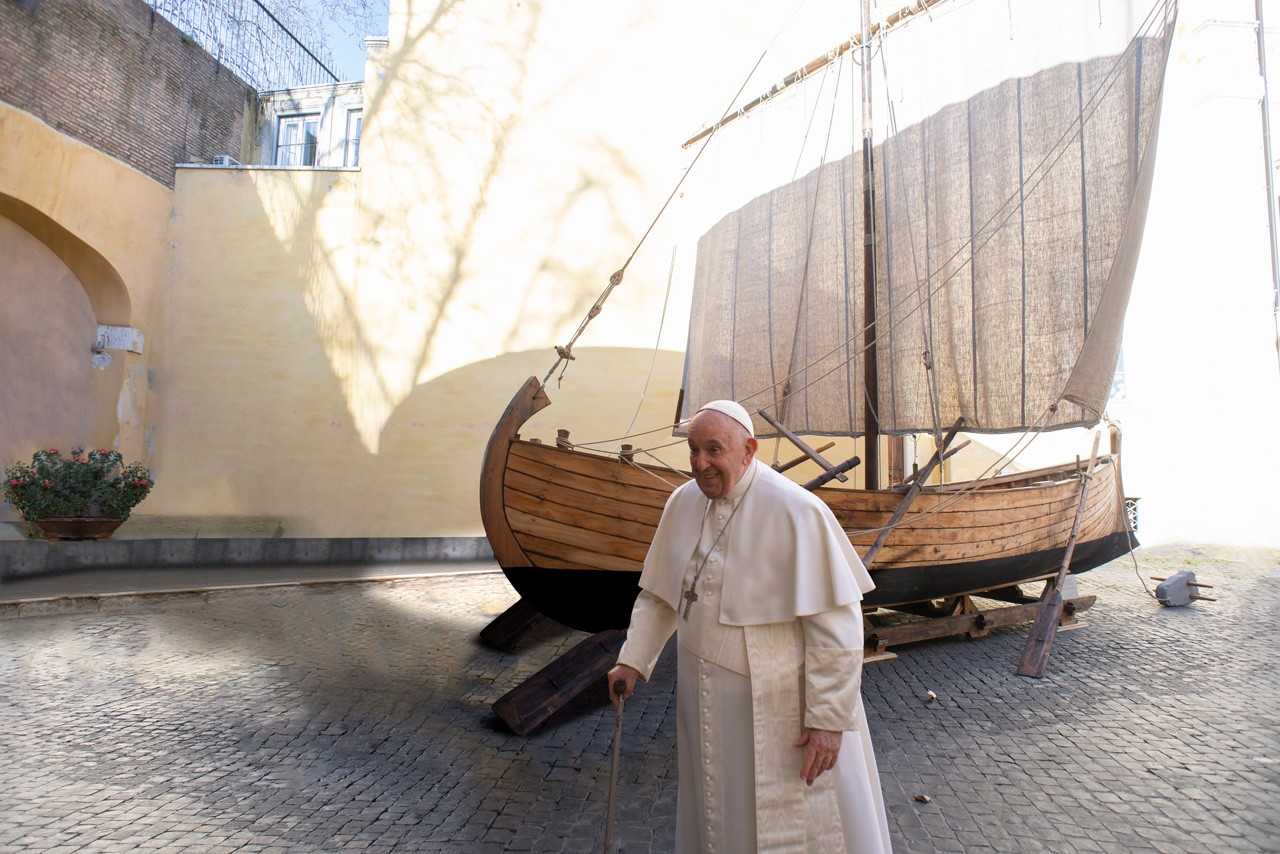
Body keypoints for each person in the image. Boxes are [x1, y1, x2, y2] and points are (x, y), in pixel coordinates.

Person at [608, 400, 892, 853]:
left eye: (714, 450)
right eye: (694, 450)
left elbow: (836, 627)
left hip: (779, 708)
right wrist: (633, 660)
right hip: (703, 703)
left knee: (789, 821)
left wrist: (827, 721)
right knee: (715, 811)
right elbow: (660, 595)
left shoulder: (797, 510)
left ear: (748, 450)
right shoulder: (682, 503)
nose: (701, 464)